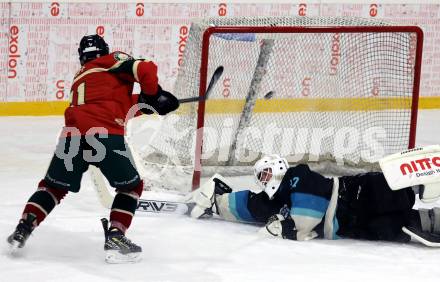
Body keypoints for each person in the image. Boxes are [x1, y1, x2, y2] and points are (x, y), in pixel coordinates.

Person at [6, 34, 179, 263]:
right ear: (105, 51)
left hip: (72, 136)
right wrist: (154, 94)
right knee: (132, 187)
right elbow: (145, 69)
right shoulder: (112, 60)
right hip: (104, 134)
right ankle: (116, 237)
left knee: (52, 188)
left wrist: (149, 105)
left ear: (82, 57)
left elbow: (113, 103)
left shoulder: (83, 77)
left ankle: (23, 228)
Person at [190, 154, 440, 247]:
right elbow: (250, 205)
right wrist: (218, 202)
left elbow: (309, 212)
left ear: (278, 166)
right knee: (397, 226)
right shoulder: (274, 203)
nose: (266, 180)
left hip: (353, 194)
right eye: (261, 178)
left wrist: (290, 227)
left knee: (400, 191)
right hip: (348, 224)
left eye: (267, 172)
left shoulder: (297, 175)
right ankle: (434, 220)